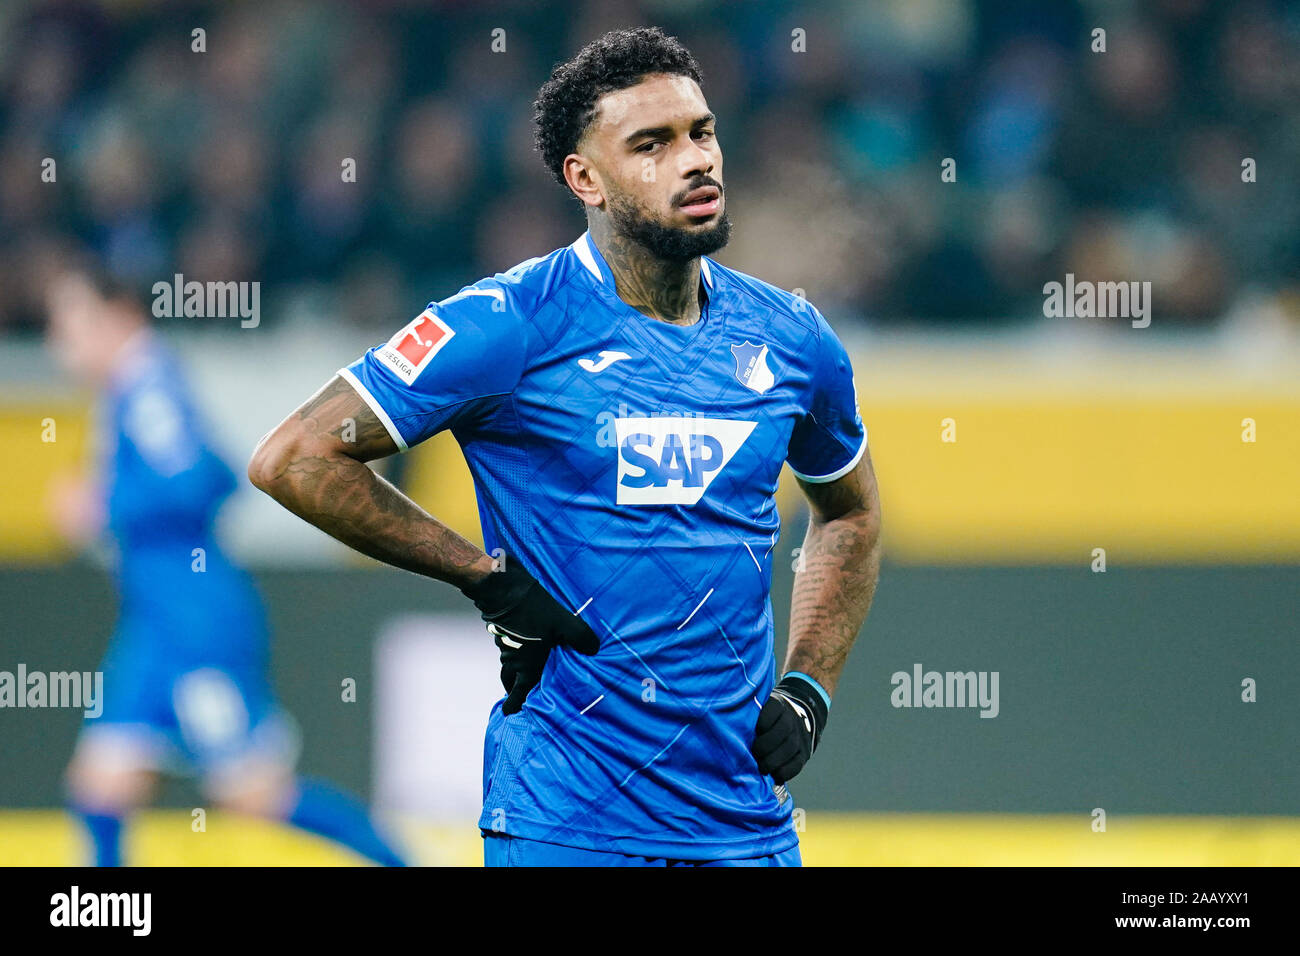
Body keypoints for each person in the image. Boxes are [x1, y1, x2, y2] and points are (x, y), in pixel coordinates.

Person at [249, 26, 882, 867]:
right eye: (651, 144)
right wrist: (483, 578)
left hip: (745, 825)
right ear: (584, 178)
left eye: (702, 131)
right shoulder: (505, 324)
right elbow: (293, 458)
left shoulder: (792, 339)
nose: (695, 161)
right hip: (564, 821)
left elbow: (849, 513)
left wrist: (809, 686)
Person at [45, 264, 407, 867]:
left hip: (195, 627)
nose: (63, 342)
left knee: (254, 794)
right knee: (100, 783)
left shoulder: (148, 385)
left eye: (72, 322)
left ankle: (401, 863)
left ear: (118, 315)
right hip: (157, 625)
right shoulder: (133, 389)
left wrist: (102, 506)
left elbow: (199, 479)